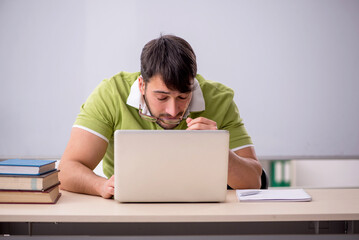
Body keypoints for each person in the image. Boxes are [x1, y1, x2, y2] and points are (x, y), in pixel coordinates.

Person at [58, 34, 262, 198]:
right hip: (126, 212)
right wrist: (101, 186)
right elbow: (67, 170)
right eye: (162, 97)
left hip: (201, 211)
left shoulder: (220, 99)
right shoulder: (111, 94)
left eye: (183, 96)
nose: (173, 111)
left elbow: (254, 180)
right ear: (142, 85)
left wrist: (218, 149)